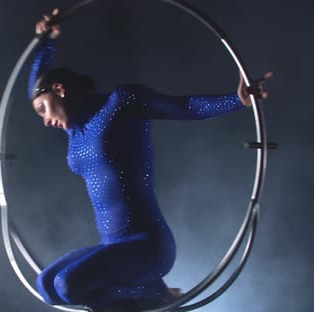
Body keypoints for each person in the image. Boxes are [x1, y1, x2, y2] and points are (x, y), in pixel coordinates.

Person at [30, 8, 273, 312]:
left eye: (43, 109)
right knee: (47, 286)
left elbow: (185, 107)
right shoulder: (75, 132)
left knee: (69, 285)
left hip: (147, 247)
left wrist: (237, 100)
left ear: (60, 89)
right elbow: (36, 85)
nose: (45, 120)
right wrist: (45, 42)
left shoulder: (121, 103)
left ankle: (150, 293)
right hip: (116, 250)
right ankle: (150, 292)